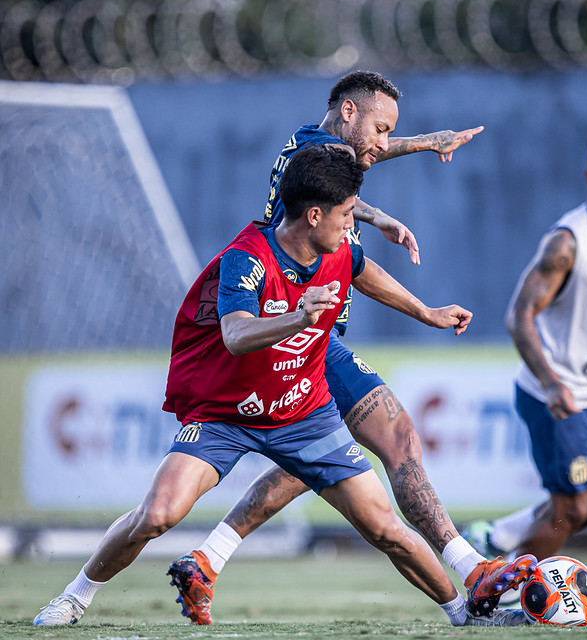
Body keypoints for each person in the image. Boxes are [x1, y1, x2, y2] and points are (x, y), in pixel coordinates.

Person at [33, 146, 532, 628]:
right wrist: (298, 316)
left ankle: (465, 614)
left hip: (304, 413)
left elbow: (363, 271)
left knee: (385, 527)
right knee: (157, 514)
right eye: (346, 214)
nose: (351, 224)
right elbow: (235, 334)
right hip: (225, 415)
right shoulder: (246, 258)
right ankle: (74, 596)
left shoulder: (338, 248)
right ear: (313, 215)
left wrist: (426, 312)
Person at [156, 70, 534, 624]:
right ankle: (473, 568)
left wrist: (420, 153)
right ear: (350, 113)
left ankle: (207, 561)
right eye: (380, 128)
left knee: (308, 465)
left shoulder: (314, 148)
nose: (384, 143)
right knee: (396, 437)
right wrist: (401, 179)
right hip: (306, 340)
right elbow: (356, 174)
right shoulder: (322, 155)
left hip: (311, 336)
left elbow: (358, 180)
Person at [463, 129, 587, 569]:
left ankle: (499, 534)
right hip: (559, 397)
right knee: (572, 510)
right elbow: (518, 316)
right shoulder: (567, 243)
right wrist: (551, 382)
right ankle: (502, 589)